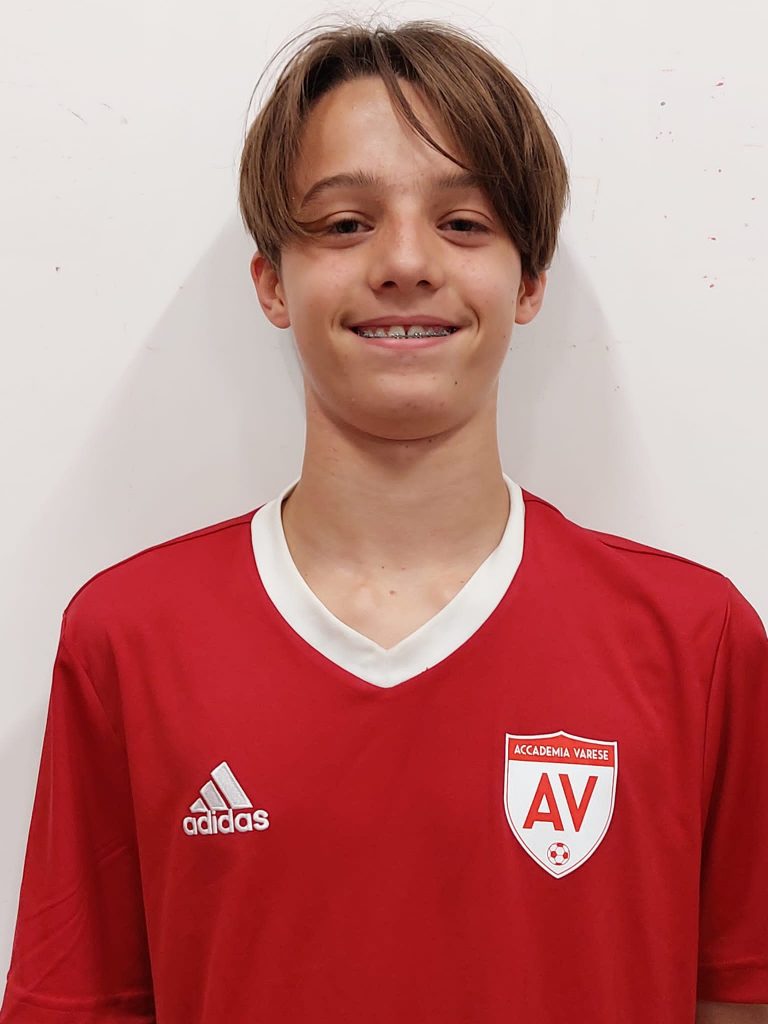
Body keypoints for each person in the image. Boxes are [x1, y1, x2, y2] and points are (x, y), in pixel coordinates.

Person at [1, 17, 766, 1024]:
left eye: (464, 222)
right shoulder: (129, 641)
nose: (406, 261)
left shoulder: (697, 643)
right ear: (272, 282)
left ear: (530, 280)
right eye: (344, 224)